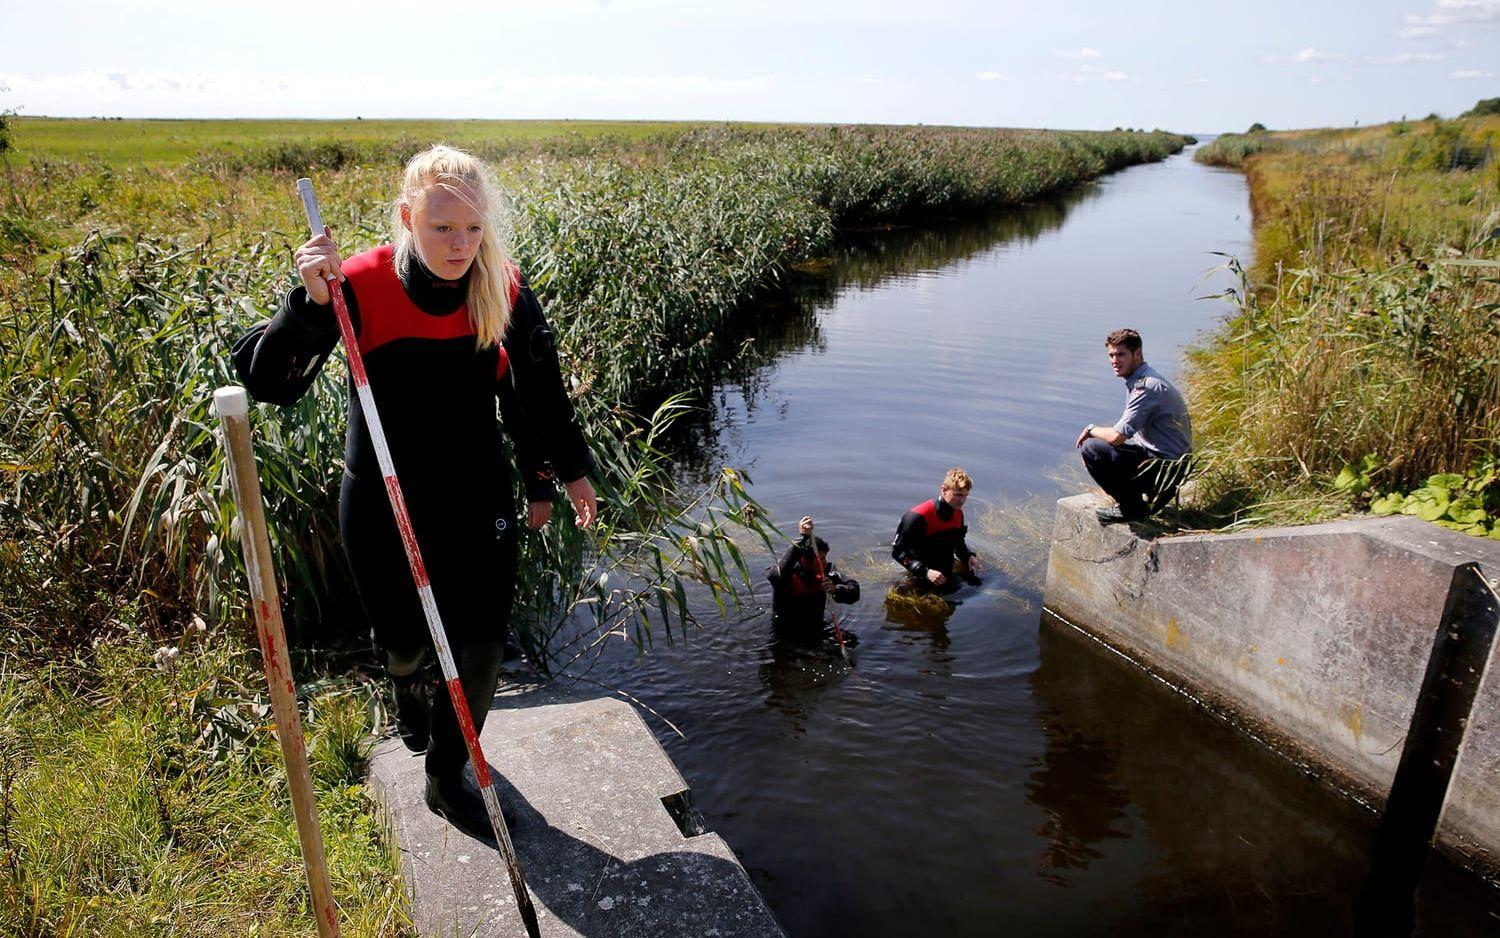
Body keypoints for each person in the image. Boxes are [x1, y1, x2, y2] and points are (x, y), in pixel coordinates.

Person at [232, 144, 596, 840]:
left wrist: (562, 471)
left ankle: (446, 777)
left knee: (483, 645)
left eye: (473, 229)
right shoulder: (359, 283)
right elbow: (270, 382)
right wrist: (310, 305)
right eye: (441, 229)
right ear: (407, 219)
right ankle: (406, 685)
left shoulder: (504, 289)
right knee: (403, 643)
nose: (460, 245)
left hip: (475, 498)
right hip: (380, 501)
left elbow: (539, 398)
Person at [1074, 328, 1192, 524]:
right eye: (1111, 355)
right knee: (1110, 447)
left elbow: (1116, 437)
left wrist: (1091, 429)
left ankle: (1132, 509)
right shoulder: (1145, 379)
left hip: (1168, 469)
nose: (1114, 361)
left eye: (1121, 354)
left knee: (1092, 448)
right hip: (1171, 463)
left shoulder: (1145, 387)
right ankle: (1138, 501)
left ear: (1137, 354)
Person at [765, 516, 860, 646]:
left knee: (851, 642)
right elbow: (774, 575)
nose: (825, 562)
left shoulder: (827, 572)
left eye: (825, 557)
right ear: (804, 560)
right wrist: (803, 539)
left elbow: (854, 591)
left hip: (816, 627)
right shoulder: (788, 574)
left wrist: (836, 590)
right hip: (787, 632)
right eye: (820, 558)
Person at [892, 468, 984, 591]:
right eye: (958, 495)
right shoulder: (917, 516)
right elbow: (897, 552)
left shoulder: (958, 513)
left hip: (946, 573)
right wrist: (925, 572)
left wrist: (968, 556)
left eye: (966, 496)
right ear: (944, 490)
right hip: (921, 577)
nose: (962, 501)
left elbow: (958, 543)